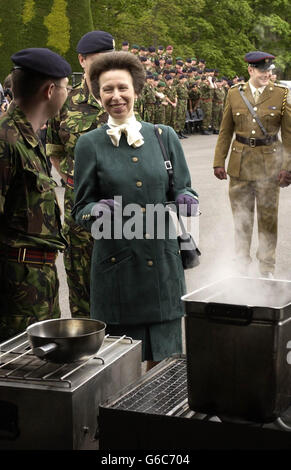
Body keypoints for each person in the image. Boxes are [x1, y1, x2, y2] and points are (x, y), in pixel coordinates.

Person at [72, 51, 199, 369]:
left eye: (122, 88)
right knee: (117, 374)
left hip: (163, 270)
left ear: (137, 90)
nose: (116, 96)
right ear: (98, 94)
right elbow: (80, 209)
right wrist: (94, 212)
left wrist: (187, 197)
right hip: (118, 271)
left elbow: (184, 187)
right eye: (107, 90)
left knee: (166, 370)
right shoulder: (90, 144)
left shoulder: (164, 136)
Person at [0, 47, 72, 341]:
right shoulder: (6, 141)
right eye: (66, 88)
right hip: (14, 292)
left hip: (35, 283)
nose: (67, 94)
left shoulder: (26, 137)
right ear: (51, 90)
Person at [46, 30, 114, 317]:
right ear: (82, 61)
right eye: (98, 62)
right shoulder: (66, 103)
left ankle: (124, 346)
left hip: (125, 208)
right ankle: (87, 349)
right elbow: (55, 150)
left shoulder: (131, 98)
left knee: (122, 281)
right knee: (81, 284)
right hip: (81, 208)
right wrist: (77, 179)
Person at [213, 51, 291, 278]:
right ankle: (241, 264)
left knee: (267, 219)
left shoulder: (281, 95)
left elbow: (288, 135)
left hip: (270, 166)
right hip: (240, 165)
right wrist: (219, 161)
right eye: (262, 70)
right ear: (250, 70)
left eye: (269, 70)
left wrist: (287, 167)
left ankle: (266, 267)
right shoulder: (234, 93)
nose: (267, 74)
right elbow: (225, 130)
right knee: (241, 218)